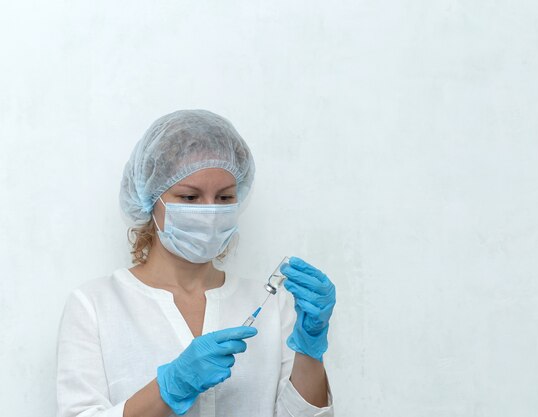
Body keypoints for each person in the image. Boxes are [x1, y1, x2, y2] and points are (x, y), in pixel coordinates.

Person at [56, 110, 336, 417]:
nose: (210, 212)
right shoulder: (95, 305)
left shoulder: (273, 305)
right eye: (190, 197)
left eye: (225, 197)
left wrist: (310, 349)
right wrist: (169, 388)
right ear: (151, 199)